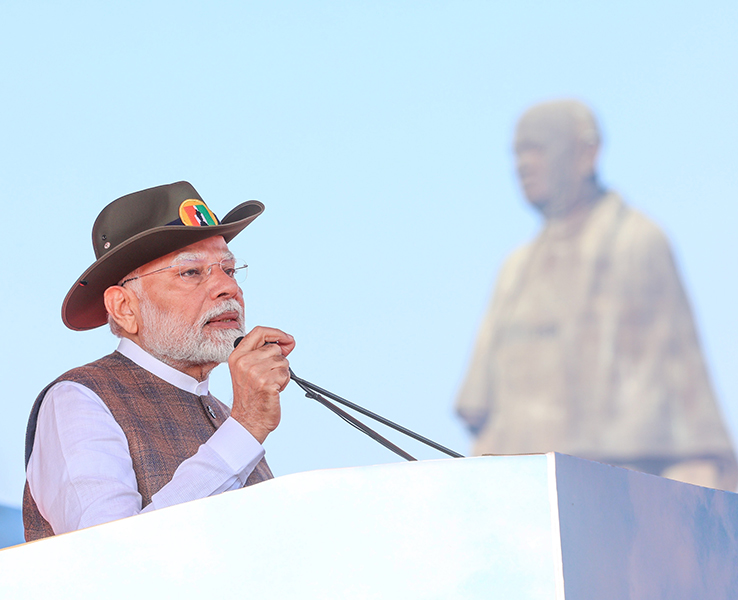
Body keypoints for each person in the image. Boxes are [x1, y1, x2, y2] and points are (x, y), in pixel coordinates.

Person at [455, 100, 738, 491]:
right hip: (520, 496)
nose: (523, 165)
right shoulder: (515, 269)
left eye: (536, 148)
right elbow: (481, 415)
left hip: (618, 494)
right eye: (517, 153)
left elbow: (689, 410)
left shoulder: (637, 243)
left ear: (586, 154)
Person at [24, 181, 295, 540]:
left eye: (228, 270)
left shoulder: (226, 415)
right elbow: (106, 557)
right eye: (191, 272)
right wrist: (245, 428)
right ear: (124, 308)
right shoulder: (80, 399)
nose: (228, 288)